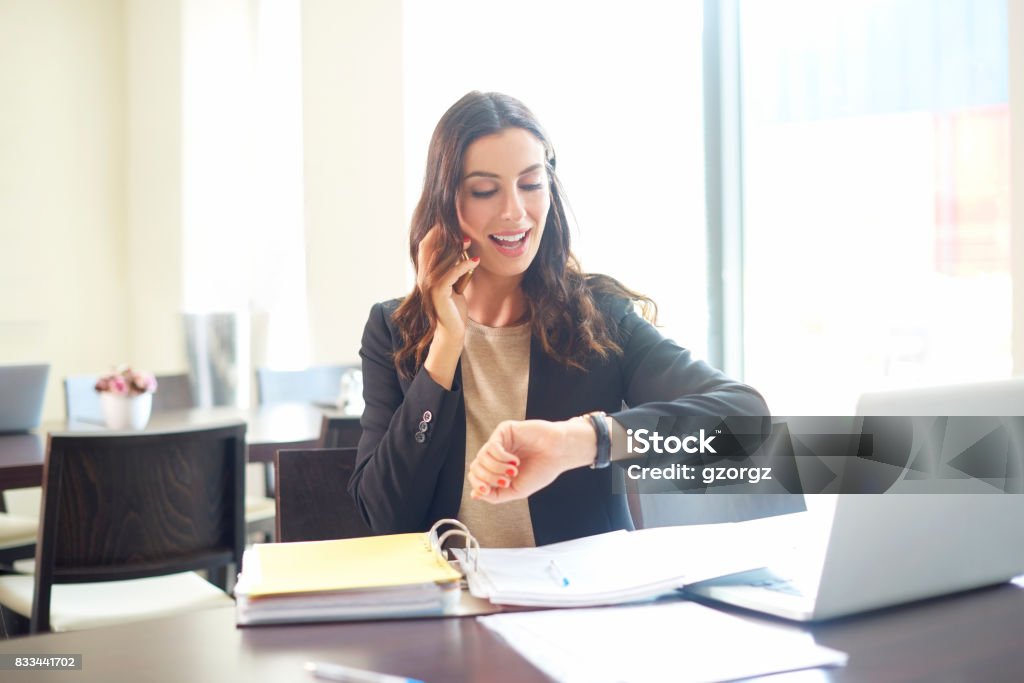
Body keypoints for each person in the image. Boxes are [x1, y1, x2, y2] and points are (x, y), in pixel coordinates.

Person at [350, 91, 768, 547]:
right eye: (485, 190)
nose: (514, 210)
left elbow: (743, 422)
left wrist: (584, 440)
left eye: (530, 184)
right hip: (450, 606)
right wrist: (446, 345)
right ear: (446, 203)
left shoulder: (599, 317)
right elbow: (384, 518)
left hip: (580, 608)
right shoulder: (394, 329)